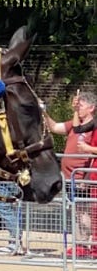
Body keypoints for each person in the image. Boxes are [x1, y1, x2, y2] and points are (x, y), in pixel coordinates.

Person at [43, 90, 97, 249]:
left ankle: (84, 244)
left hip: (83, 178)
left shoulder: (93, 126)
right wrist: (43, 112)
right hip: (69, 177)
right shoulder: (73, 124)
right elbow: (53, 127)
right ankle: (81, 244)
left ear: (91, 108)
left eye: (81, 106)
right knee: (76, 211)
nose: (78, 108)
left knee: (83, 211)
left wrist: (86, 176)